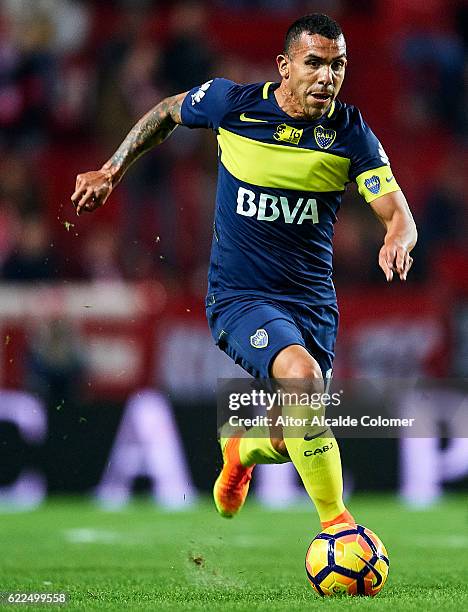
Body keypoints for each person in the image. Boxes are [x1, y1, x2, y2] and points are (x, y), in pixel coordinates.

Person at [71, 14, 417, 528]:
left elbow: (398, 215)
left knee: (291, 430)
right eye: (314, 63)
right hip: (240, 296)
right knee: (300, 379)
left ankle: (241, 449)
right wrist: (113, 169)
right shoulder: (233, 104)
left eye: (338, 66)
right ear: (284, 66)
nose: (327, 77)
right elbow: (168, 111)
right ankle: (339, 528)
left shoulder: (350, 133)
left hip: (313, 305)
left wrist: (396, 238)